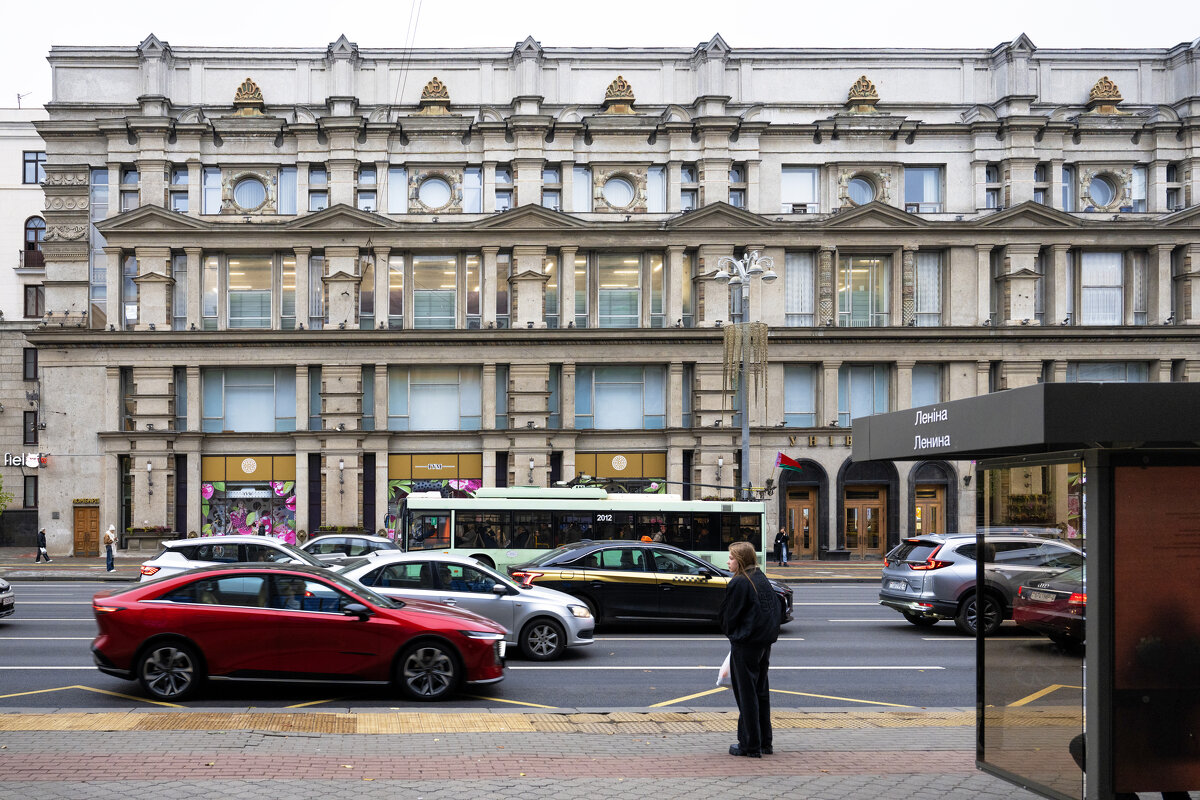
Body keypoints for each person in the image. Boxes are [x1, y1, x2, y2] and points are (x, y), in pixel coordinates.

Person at [719, 541, 781, 758]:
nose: (728, 561)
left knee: (746, 695)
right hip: (764, 643)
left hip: (745, 645)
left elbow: (729, 618)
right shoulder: (760, 577)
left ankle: (750, 745)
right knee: (761, 692)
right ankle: (765, 742)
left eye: (731, 557)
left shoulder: (739, 583)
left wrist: (735, 636)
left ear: (741, 560)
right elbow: (774, 610)